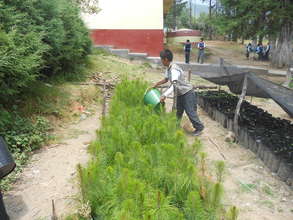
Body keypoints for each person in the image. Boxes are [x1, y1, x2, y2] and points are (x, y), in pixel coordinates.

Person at [153, 49, 204, 136]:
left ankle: (199, 128)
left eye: (161, 59)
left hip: (187, 92)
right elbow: (166, 79)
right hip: (180, 93)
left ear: (165, 59)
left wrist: (164, 95)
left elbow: (174, 85)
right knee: (178, 111)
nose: (161, 61)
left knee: (190, 111)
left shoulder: (174, 69)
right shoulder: (168, 68)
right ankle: (175, 126)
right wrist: (157, 84)